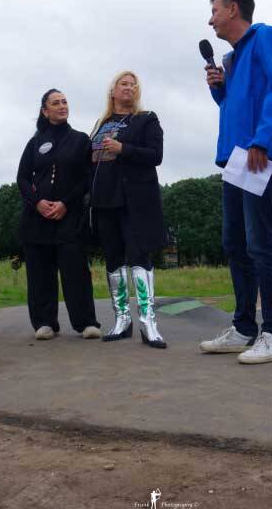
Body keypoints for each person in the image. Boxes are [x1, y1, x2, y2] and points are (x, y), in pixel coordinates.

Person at [199, 0, 272, 365]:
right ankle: (243, 328)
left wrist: (263, 140)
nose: (210, 20)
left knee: (261, 244)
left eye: (214, 11)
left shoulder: (268, 37)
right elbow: (233, 105)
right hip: (237, 157)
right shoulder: (232, 58)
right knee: (235, 244)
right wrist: (219, 89)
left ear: (233, 9)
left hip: (261, 153)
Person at [90, 71, 167, 349]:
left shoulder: (146, 119)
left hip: (136, 201)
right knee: (113, 259)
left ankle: (148, 323)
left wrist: (124, 148)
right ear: (112, 91)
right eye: (124, 83)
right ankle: (122, 319)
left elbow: (156, 155)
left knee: (139, 257)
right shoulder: (102, 123)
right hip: (104, 201)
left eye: (133, 85)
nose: (130, 88)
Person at [16, 89, 101, 340]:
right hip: (37, 217)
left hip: (70, 216)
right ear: (45, 110)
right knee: (39, 272)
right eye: (56, 103)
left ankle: (85, 322)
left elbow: (87, 177)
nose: (62, 106)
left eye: (65, 101)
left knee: (75, 271)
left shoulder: (80, 140)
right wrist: (37, 202)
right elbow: (22, 178)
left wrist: (65, 203)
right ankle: (44, 323)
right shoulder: (35, 142)